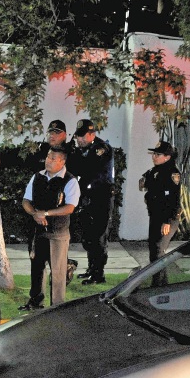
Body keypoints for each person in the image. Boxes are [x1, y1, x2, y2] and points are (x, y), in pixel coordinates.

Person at [18, 146, 80, 311]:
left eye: (53, 158)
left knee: (58, 273)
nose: (48, 161)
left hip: (58, 234)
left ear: (62, 161)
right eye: (48, 157)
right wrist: (34, 214)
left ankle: (56, 308)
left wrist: (45, 213)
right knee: (37, 268)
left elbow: (70, 207)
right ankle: (35, 302)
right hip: (38, 232)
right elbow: (26, 200)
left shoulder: (70, 181)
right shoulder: (37, 177)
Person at [68, 119, 114, 285]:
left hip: (101, 198)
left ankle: (98, 275)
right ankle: (91, 268)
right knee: (88, 237)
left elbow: (85, 169)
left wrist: (76, 155)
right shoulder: (84, 150)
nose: (79, 140)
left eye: (82, 136)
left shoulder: (101, 149)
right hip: (88, 198)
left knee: (98, 237)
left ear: (92, 134)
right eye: (78, 136)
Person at [140, 141, 183, 264]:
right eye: (153, 154)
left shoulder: (172, 173)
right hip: (155, 215)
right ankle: (158, 282)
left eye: (157, 155)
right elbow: (146, 187)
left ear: (167, 157)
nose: (154, 157)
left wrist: (167, 221)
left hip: (168, 218)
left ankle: (159, 282)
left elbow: (173, 199)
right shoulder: (154, 171)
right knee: (154, 251)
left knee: (158, 251)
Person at [0, 119, 68, 172]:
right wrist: (1, 159)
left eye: (56, 132)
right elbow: (18, 155)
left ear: (65, 135)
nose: (52, 135)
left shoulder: (71, 153)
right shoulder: (39, 149)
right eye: (50, 132)